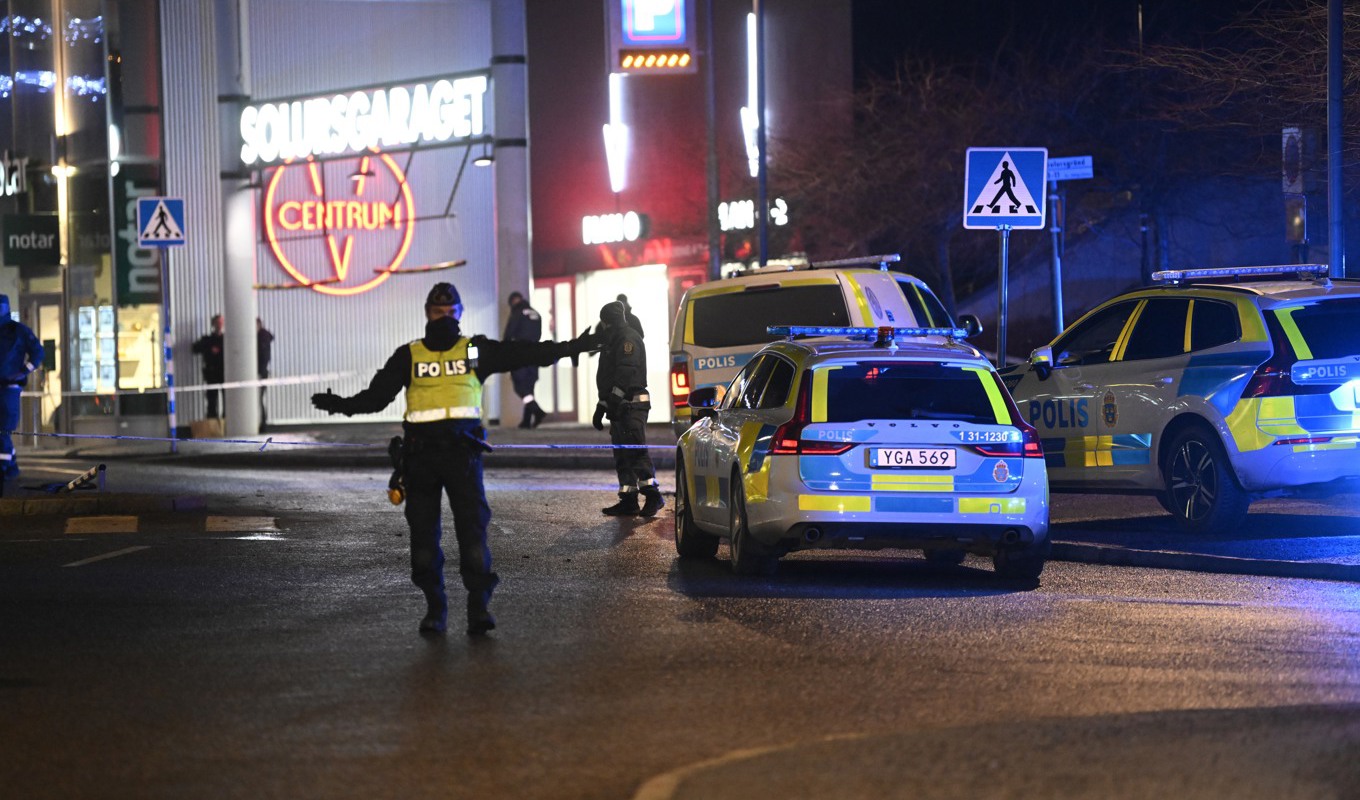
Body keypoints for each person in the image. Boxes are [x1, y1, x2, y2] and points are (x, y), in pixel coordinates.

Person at [311, 282, 600, 636]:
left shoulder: (474, 351)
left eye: (451, 313)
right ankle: (435, 609)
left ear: (460, 314)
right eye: (438, 313)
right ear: (427, 314)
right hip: (420, 460)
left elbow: (525, 353)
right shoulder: (410, 355)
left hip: (462, 457)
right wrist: (339, 405)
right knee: (422, 543)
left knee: (473, 538)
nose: (445, 318)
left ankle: (479, 607)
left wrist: (577, 347)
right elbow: (375, 398)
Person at [593, 300, 663, 518]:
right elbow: (610, 377)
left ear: (609, 322)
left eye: (604, 323)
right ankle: (629, 500)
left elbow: (625, 373)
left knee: (635, 450)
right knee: (623, 454)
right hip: (620, 405)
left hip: (632, 405)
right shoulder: (614, 340)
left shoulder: (627, 339)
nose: (603, 327)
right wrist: (602, 404)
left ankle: (653, 496)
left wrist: (612, 401)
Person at [0, 294, 44, 492]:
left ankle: (5, 467)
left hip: (10, 386)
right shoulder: (17, 331)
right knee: (4, 430)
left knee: (4, 428)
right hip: (7, 384)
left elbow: (38, 352)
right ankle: (10, 465)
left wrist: (23, 370)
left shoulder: (18, 331)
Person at [502, 291, 545, 429]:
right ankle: (526, 421)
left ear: (513, 301)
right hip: (535, 354)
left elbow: (509, 334)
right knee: (529, 387)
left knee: (520, 386)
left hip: (520, 353)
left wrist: (505, 350)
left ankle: (537, 411)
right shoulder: (536, 313)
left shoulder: (518, 313)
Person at [191, 314, 225, 419]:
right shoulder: (208, 340)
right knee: (211, 401)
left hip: (224, 373)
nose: (219, 325)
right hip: (212, 373)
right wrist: (209, 349)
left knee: (227, 400)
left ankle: (225, 422)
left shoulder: (226, 339)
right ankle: (212, 422)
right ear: (213, 324)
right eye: (217, 323)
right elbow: (195, 348)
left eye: (221, 322)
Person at [257, 318, 274, 429]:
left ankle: (263, 423)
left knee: (259, 398)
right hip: (262, 372)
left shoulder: (262, 338)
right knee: (260, 398)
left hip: (261, 372)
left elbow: (264, 357)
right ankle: (263, 422)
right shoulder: (264, 338)